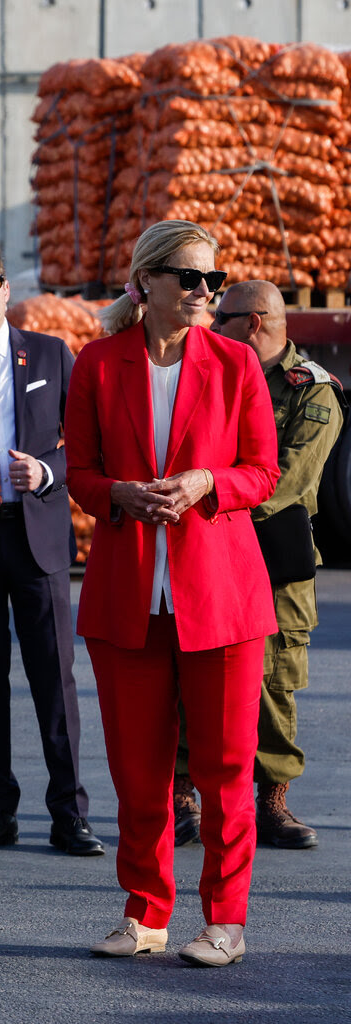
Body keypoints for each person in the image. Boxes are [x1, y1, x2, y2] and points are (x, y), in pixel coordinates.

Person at [64, 220, 280, 968]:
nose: (202, 293)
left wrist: (207, 483)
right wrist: (120, 493)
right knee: (138, 772)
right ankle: (145, 914)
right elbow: (81, 474)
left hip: (220, 595)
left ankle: (225, 920)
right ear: (144, 283)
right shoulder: (96, 364)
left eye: (212, 282)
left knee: (226, 773)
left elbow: (263, 472)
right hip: (128, 595)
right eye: (188, 278)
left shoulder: (236, 364)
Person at [0, 241, 103, 858]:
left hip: (37, 537)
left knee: (54, 681)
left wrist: (48, 471)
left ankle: (69, 815)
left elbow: (85, 446)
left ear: (7, 289)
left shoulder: (52, 354)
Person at [172, 281, 345, 849]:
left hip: (271, 553)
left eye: (222, 317)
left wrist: (208, 494)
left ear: (253, 322)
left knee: (274, 680)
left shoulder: (310, 391)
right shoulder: (214, 369)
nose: (211, 324)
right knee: (189, 668)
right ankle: (181, 795)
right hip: (211, 544)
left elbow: (285, 480)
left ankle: (271, 802)